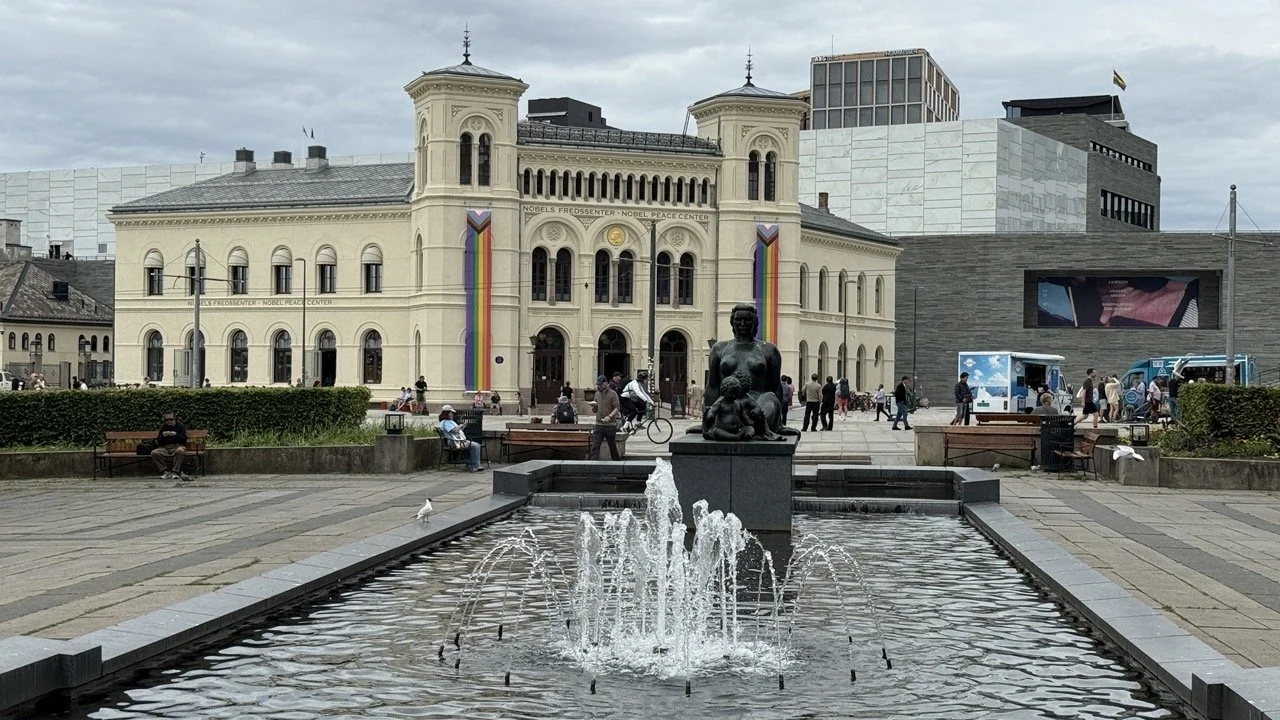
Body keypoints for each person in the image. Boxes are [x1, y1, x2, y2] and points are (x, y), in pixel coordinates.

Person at [701, 304, 796, 437]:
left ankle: (750, 427)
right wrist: (707, 421)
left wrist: (778, 423)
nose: (743, 324)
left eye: (747, 320)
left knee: (768, 399)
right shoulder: (719, 349)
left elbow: (775, 388)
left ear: (755, 322)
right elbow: (712, 386)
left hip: (757, 405)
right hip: (728, 406)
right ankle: (741, 428)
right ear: (732, 322)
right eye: (738, 320)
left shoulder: (769, 350)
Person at [439, 405, 483, 472]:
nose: (452, 414)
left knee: (476, 445)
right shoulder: (446, 422)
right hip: (454, 442)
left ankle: (472, 465)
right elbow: (454, 431)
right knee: (475, 446)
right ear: (448, 413)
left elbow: (456, 431)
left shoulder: (449, 421)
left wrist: (462, 427)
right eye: (451, 413)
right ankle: (474, 466)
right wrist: (460, 426)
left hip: (458, 441)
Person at [588, 375, 621, 461]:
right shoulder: (597, 394)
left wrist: (610, 416)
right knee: (595, 446)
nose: (599, 386)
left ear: (606, 383)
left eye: (601, 384)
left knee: (612, 447)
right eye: (598, 385)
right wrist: (594, 408)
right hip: (598, 424)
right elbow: (595, 409)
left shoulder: (613, 394)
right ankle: (593, 464)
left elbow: (617, 408)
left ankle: (617, 464)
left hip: (610, 425)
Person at [151, 411, 191, 481]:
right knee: (154, 453)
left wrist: (176, 435)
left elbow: (184, 439)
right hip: (165, 447)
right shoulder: (163, 427)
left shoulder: (180, 426)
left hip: (177, 446)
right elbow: (159, 441)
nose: (169, 421)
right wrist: (163, 436)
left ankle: (175, 472)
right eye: (167, 420)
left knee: (180, 451)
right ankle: (165, 471)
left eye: (171, 419)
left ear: (175, 419)